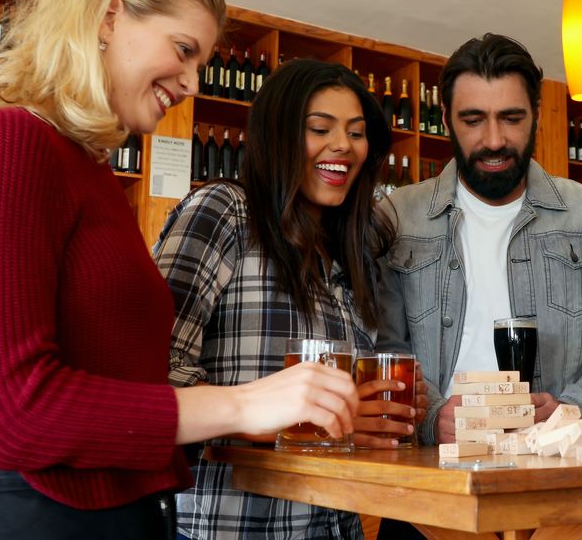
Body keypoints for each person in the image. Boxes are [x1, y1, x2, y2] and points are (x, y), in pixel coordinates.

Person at [0, 0, 359, 538]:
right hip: (32, 514)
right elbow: (12, 413)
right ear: (110, 17)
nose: (190, 84)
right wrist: (242, 406)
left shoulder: (92, 175)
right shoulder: (2, 144)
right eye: (184, 51)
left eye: (201, 64)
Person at [154, 58, 423, 540]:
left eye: (357, 132)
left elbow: (336, 425)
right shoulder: (225, 212)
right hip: (228, 527)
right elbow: (153, 370)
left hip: (335, 526)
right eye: (320, 128)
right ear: (277, 136)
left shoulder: (352, 255)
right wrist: (282, 420)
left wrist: (375, 415)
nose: (343, 145)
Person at [376, 33, 582, 444]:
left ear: (536, 114)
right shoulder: (396, 217)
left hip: (554, 468)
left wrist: (572, 409)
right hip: (429, 475)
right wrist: (431, 418)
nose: (494, 140)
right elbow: (384, 349)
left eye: (511, 118)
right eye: (473, 119)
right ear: (445, 119)